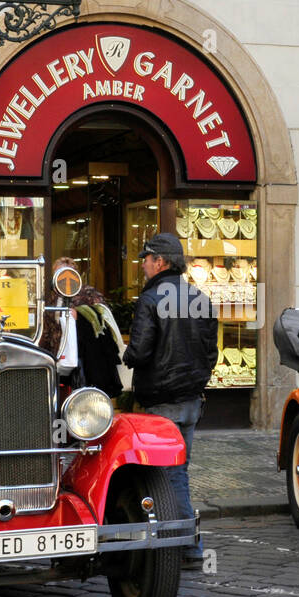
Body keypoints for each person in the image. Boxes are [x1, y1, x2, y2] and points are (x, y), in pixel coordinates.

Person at [123, 233, 217, 563]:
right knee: (178, 473)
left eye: (146, 259)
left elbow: (141, 350)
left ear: (160, 262)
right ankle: (176, 543)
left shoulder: (149, 300)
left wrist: (127, 356)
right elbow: (211, 352)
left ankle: (188, 548)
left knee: (170, 476)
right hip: (191, 400)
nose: (143, 265)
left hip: (163, 403)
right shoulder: (200, 298)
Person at [41, 257, 125, 396]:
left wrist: (80, 316)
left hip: (84, 355)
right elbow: (48, 330)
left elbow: (104, 314)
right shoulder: (54, 298)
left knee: (82, 395)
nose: (64, 279)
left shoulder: (87, 293)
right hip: (58, 356)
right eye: (59, 274)